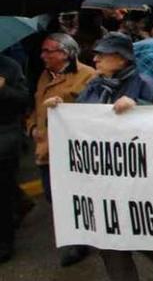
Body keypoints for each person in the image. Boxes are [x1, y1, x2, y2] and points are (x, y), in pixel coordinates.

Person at [45, 32, 153, 281]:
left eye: (102, 54)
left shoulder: (148, 85)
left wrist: (139, 105)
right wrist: (59, 111)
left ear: (121, 59)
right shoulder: (94, 85)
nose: (95, 59)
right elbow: (80, 123)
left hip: (137, 182)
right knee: (110, 240)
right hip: (101, 182)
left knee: (139, 232)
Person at [24, 34, 96, 266]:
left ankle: (80, 241)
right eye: (43, 51)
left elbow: (93, 113)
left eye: (49, 51)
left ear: (65, 53)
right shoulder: (44, 76)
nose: (43, 56)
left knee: (73, 196)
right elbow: (37, 107)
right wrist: (32, 126)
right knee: (51, 194)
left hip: (71, 151)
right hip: (46, 150)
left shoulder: (87, 75)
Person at [0, 54, 29, 264]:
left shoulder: (9, 66)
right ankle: (20, 202)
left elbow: (23, 99)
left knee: (2, 193)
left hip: (4, 137)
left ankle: (4, 243)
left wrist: (3, 90)